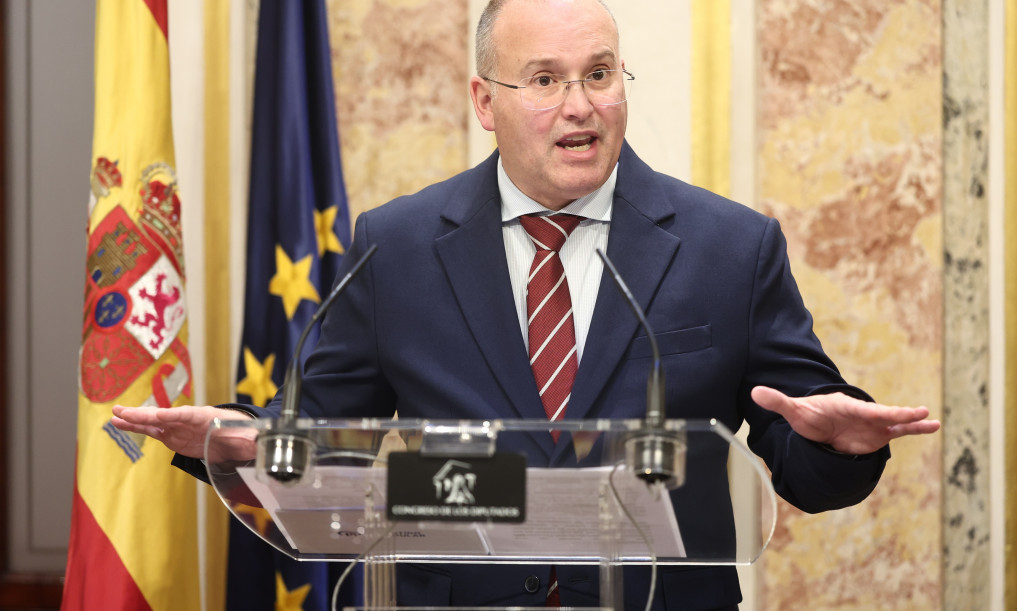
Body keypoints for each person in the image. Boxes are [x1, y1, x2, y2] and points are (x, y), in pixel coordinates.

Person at [113, 0, 940, 608]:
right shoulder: (396, 246)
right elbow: (324, 440)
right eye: (545, 79)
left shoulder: (731, 248)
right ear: (486, 102)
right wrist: (237, 439)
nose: (580, 106)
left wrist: (839, 443)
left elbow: (800, 455)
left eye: (599, 74)